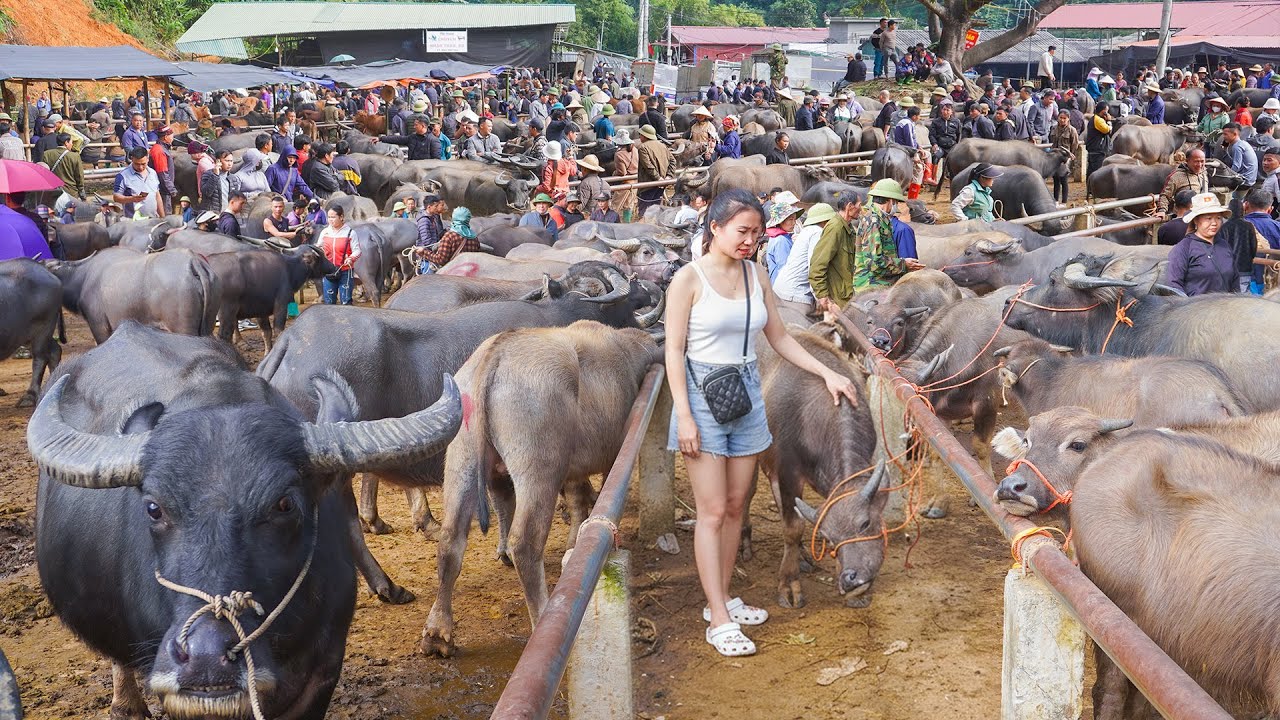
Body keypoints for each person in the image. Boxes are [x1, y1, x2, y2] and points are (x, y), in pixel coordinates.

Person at [664, 188, 858, 658]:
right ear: (714, 228)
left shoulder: (757, 275)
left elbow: (779, 337)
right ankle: (720, 619)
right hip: (703, 396)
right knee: (710, 512)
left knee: (735, 506)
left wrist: (827, 370)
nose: (750, 240)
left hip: (748, 393)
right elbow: (672, 350)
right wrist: (684, 416)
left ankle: (723, 599)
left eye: (755, 232)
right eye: (741, 231)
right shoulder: (688, 281)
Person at [1166, 193, 1237, 296]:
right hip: (1197, 310)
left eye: (1218, 218)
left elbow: (1235, 281)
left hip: (1225, 309)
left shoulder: (1224, 246)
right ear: (1196, 220)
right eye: (1208, 218)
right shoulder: (1184, 248)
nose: (1214, 223)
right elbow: (1174, 285)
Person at [808, 191, 862, 310]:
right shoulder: (835, 228)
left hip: (845, 296)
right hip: (836, 300)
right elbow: (817, 265)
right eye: (859, 205)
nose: (861, 209)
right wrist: (823, 296)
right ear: (849, 207)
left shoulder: (848, 228)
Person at [416, 207, 480, 271]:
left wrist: (423, 252)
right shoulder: (474, 238)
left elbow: (440, 260)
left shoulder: (449, 236)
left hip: (451, 275)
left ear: (454, 218)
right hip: (468, 275)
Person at [318, 205, 359, 305]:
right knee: (329, 301)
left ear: (341, 217)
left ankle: (347, 320)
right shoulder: (325, 232)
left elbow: (357, 250)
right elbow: (318, 247)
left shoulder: (350, 233)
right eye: (329, 217)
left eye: (333, 217)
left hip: (345, 271)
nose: (330, 220)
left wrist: (350, 258)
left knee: (346, 301)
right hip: (328, 271)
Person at [1246, 189, 1280, 292]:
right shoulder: (1277, 227)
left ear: (1246, 205)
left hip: (1243, 281)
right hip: (1271, 283)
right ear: (1270, 209)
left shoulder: (1235, 227)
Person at [113, 147, 161, 219]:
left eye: (143, 164)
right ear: (132, 159)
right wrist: (132, 199)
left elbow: (157, 196)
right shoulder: (123, 176)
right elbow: (116, 197)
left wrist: (163, 217)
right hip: (133, 222)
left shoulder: (152, 173)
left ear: (147, 159)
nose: (140, 167)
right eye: (137, 164)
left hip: (153, 219)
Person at [637, 124, 673, 216]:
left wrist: (657, 178)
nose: (640, 136)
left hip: (648, 184)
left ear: (644, 136)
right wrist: (669, 176)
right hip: (662, 184)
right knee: (656, 208)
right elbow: (673, 161)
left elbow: (648, 166)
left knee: (644, 210)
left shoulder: (642, 147)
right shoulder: (663, 146)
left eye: (640, 135)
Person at [763, 201, 803, 282]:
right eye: (791, 219)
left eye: (794, 219)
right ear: (780, 221)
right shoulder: (781, 241)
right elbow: (784, 269)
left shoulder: (777, 237)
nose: (794, 223)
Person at [42, 132, 84, 207]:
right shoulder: (74, 156)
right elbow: (79, 176)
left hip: (53, 191)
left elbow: (44, 173)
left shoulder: (47, 154)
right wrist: (81, 192)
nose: (72, 144)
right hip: (71, 192)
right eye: (71, 142)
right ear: (66, 143)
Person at [1047, 111, 1078, 204]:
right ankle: (1056, 200)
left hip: (1065, 158)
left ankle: (1064, 201)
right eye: (1061, 117)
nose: (1062, 120)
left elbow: (1074, 144)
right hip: (1054, 157)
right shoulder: (1053, 129)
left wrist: (1069, 156)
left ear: (1068, 119)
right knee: (1055, 179)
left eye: (1065, 118)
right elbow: (1051, 141)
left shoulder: (1072, 130)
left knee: (1064, 180)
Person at [413, 194, 447, 274]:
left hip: (431, 253)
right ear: (429, 207)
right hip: (427, 255)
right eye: (435, 206)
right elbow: (427, 241)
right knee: (429, 279)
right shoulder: (424, 220)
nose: (437, 208)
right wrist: (440, 245)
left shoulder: (432, 218)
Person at [1222, 122, 1259, 191]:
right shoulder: (1243, 143)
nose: (1223, 137)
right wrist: (1225, 149)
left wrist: (1226, 176)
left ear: (1235, 134)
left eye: (1225, 134)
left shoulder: (1237, 147)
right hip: (1251, 179)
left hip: (1245, 181)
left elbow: (1236, 166)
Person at [1084, 103, 1115, 178]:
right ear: (1102, 111)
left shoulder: (1095, 119)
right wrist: (1109, 121)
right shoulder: (1098, 120)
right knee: (1097, 172)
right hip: (1098, 150)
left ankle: (1090, 188)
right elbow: (1107, 130)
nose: (1107, 113)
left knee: (1091, 171)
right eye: (1106, 111)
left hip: (1094, 149)